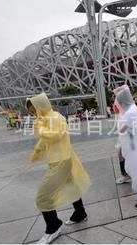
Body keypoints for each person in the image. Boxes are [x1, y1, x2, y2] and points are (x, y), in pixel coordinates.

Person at [26, 92, 91, 243]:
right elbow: (45, 139)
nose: (33, 113)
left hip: (61, 161)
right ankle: (80, 213)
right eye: (31, 112)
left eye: (34, 110)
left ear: (41, 105)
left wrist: (40, 129)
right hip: (59, 159)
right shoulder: (45, 119)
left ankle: (53, 226)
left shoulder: (55, 117)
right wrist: (38, 150)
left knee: (43, 197)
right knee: (72, 187)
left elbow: (56, 135)